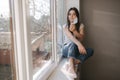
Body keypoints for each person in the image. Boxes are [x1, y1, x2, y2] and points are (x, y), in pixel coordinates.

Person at [62, 7, 94, 78]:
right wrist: (79, 44)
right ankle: (71, 69)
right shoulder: (65, 26)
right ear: (68, 16)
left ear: (77, 16)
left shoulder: (81, 26)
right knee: (72, 44)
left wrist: (74, 31)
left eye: (74, 14)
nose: (71, 16)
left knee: (90, 51)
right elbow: (71, 38)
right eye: (69, 14)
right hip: (66, 49)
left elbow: (81, 38)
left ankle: (72, 62)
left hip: (75, 50)